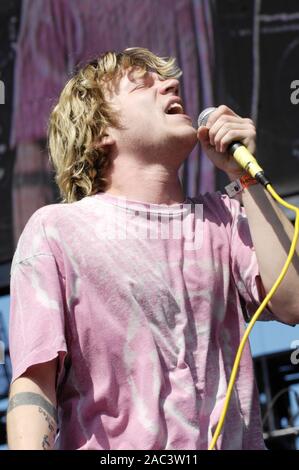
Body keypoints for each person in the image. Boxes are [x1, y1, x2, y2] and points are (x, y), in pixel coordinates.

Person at [6, 47, 299, 450]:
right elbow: (35, 384)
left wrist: (245, 175)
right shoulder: (56, 231)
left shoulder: (225, 217)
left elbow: (293, 302)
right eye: (144, 84)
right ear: (100, 132)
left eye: (168, 79)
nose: (172, 84)